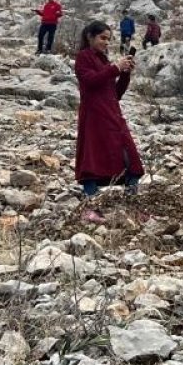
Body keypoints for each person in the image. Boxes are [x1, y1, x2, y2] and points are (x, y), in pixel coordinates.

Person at [74, 21, 145, 223]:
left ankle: (133, 205)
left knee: (131, 161)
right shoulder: (83, 58)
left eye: (108, 39)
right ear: (90, 36)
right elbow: (90, 81)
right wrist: (115, 68)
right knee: (92, 162)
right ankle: (90, 207)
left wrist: (124, 73)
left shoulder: (103, 60)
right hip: (94, 118)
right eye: (102, 38)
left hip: (112, 116)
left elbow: (114, 93)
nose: (106, 42)